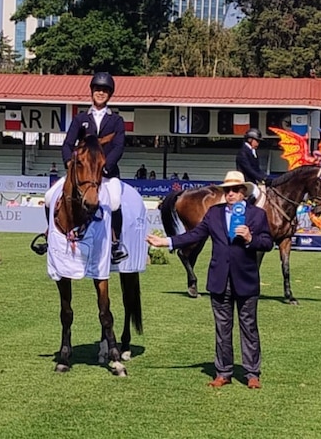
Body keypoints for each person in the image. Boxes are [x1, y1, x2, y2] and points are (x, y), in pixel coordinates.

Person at [146, 170, 274, 389]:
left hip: (246, 279)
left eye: (235, 190)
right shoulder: (213, 213)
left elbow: (267, 243)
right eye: (227, 190)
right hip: (219, 279)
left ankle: (252, 373)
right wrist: (166, 242)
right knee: (222, 328)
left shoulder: (257, 215)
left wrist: (251, 238)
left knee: (248, 326)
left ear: (243, 192)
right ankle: (223, 372)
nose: (231, 194)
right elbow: (194, 235)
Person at [62, 71, 127, 263]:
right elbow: (67, 144)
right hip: (82, 174)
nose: (100, 93)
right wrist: (68, 163)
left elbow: (119, 146)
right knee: (50, 198)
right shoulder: (80, 118)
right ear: (92, 92)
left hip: (106, 173)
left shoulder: (116, 120)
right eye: (97, 89)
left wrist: (106, 166)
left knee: (114, 201)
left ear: (110, 94)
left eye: (105, 90)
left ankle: (116, 243)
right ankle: (51, 236)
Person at [236, 128, 270, 207]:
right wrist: (261, 178)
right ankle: (245, 209)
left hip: (252, 181)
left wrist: (266, 177)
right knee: (256, 192)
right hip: (245, 180)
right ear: (250, 139)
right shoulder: (243, 152)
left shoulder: (253, 152)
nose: (258, 143)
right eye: (257, 141)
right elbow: (249, 170)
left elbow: (257, 169)